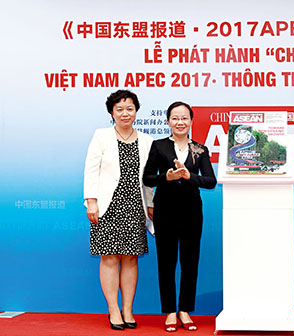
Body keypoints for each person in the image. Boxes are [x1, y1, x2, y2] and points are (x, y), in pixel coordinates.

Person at [84, 90, 154, 330]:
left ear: (136, 110)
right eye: (119, 109)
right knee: (110, 257)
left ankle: (128, 309)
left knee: (131, 257)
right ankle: (113, 309)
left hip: (135, 203)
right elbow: (91, 169)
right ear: (112, 112)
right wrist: (91, 200)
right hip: (108, 205)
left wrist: (151, 203)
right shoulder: (101, 136)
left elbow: (148, 178)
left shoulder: (146, 140)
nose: (125, 113)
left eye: (130, 108)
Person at [143, 101, 216, 332]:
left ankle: (184, 310)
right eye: (175, 118)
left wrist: (188, 176)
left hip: (192, 212)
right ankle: (170, 312)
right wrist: (167, 177)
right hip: (164, 211)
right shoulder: (159, 146)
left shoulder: (200, 149)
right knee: (166, 262)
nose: (180, 122)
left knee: (189, 262)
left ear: (191, 121)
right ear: (168, 121)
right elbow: (147, 178)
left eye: (184, 118)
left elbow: (210, 181)